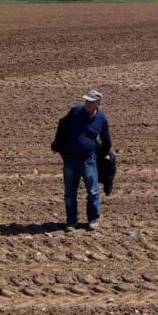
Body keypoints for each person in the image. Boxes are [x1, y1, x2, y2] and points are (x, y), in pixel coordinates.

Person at [55, 89, 112, 232]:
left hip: (89, 160)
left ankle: (93, 219)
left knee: (92, 191)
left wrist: (104, 154)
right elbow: (62, 126)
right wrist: (59, 146)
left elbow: (106, 139)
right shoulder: (75, 111)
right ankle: (71, 222)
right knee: (69, 192)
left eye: (90, 101)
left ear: (98, 103)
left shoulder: (101, 119)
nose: (87, 103)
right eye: (86, 100)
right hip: (70, 160)